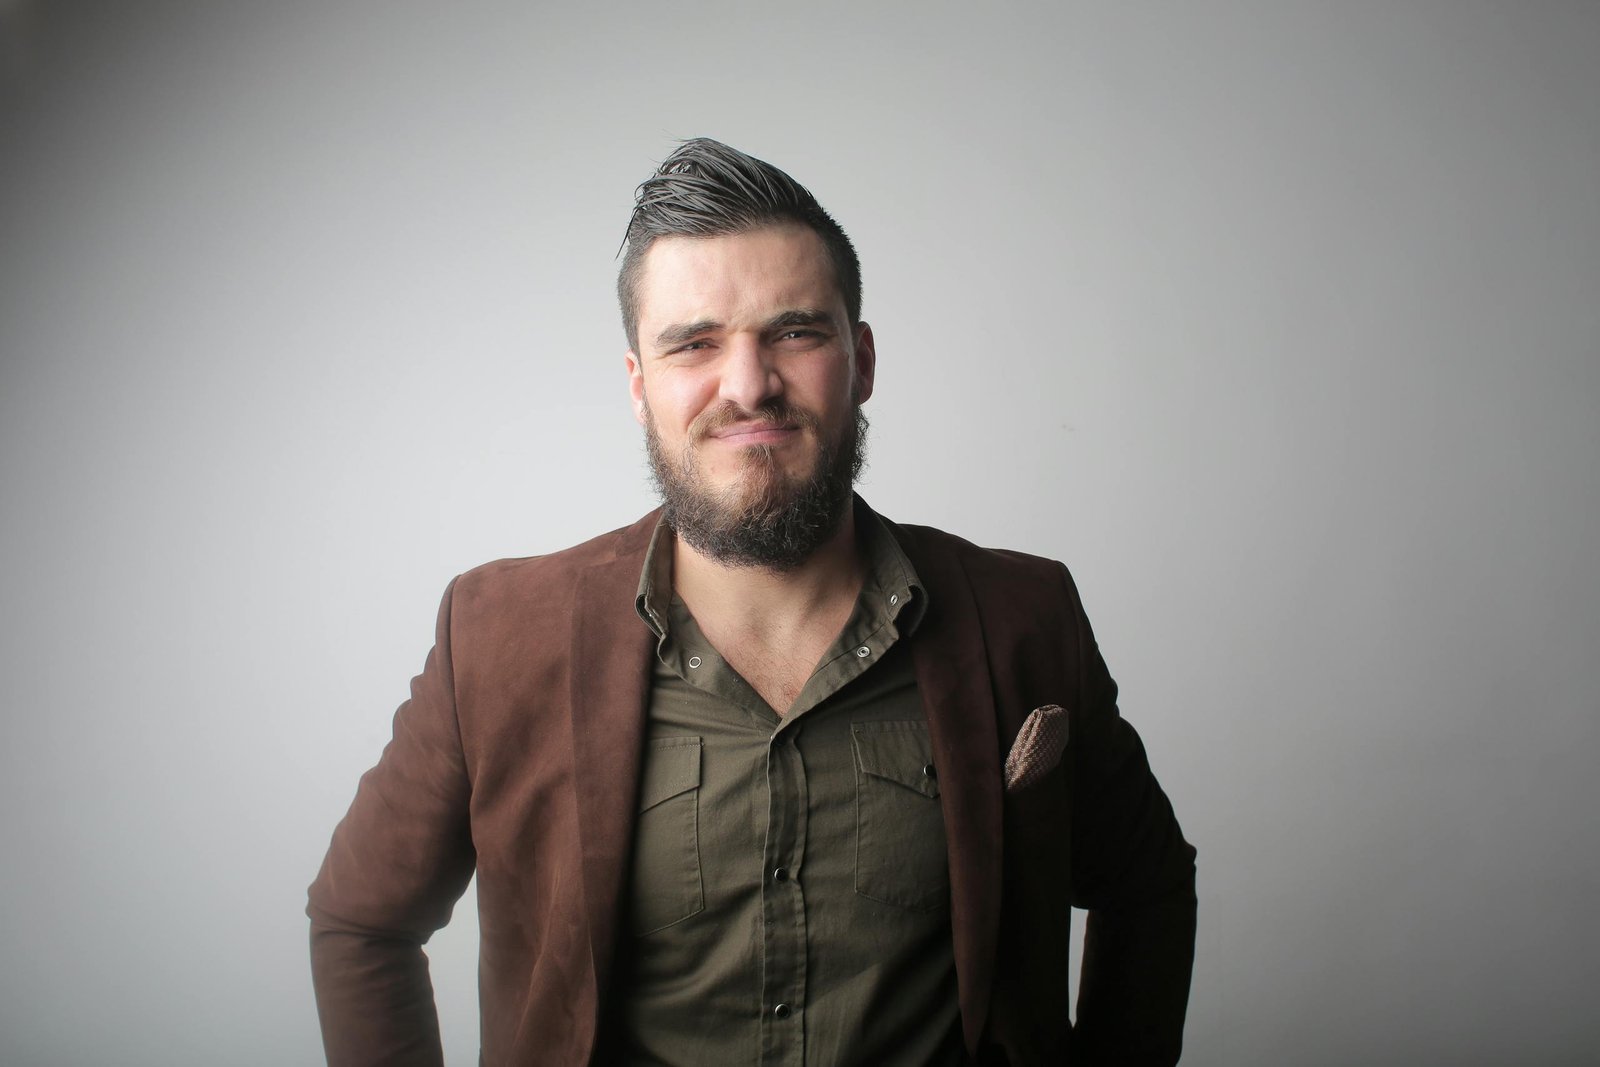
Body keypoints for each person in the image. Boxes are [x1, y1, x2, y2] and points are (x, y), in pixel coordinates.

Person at [308, 138, 1197, 1066]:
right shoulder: (494, 636)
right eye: (695, 343)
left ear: (861, 359)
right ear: (639, 385)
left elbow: (1148, 885)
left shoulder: (1024, 618)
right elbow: (360, 920)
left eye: (795, 331)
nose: (748, 385)